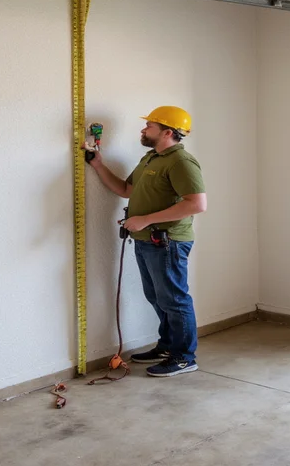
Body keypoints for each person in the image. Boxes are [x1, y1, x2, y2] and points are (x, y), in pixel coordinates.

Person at [84, 106, 207, 377]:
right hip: (147, 240)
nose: (143, 129)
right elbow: (126, 190)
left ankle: (185, 357)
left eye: (149, 126)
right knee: (157, 297)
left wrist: (146, 219)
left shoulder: (181, 162)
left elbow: (197, 204)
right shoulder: (151, 159)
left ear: (167, 132)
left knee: (174, 299)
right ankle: (167, 347)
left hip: (169, 242)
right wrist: (99, 166)